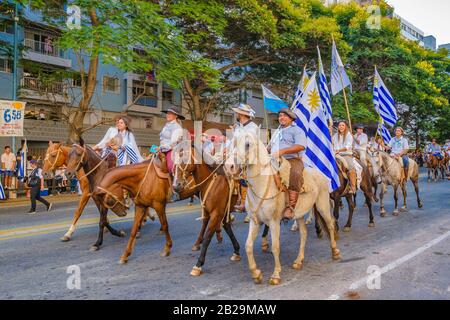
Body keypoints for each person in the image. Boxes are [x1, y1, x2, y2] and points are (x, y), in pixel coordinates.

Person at [268, 108, 306, 220]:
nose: (281, 118)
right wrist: (267, 148)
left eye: (284, 116)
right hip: (275, 159)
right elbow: (271, 146)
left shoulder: (297, 130)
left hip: (292, 160)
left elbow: (300, 146)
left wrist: (282, 151)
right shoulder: (277, 131)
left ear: (291, 118)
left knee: (295, 173)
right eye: (280, 116)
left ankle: (290, 206)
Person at [227, 104, 260, 220]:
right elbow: (233, 143)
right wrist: (230, 154)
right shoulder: (239, 127)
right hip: (237, 157)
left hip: (248, 158)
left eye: (237, 112)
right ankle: (231, 205)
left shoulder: (253, 127)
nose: (236, 114)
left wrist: (239, 156)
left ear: (241, 114)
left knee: (246, 180)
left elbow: (249, 145)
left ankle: (247, 205)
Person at [332, 121, 357, 194]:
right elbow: (331, 143)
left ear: (346, 126)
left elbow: (347, 147)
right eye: (340, 125)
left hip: (346, 155)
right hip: (336, 155)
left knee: (350, 167)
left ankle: (352, 187)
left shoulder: (349, 135)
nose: (341, 127)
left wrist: (338, 150)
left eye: (343, 125)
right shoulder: (335, 135)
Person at [159, 107, 185, 174]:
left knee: (171, 168)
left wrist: (161, 148)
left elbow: (173, 143)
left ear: (176, 116)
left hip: (172, 150)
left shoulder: (177, 127)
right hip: (162, 149)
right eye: (167, 113)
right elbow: (163, 139)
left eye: (170, 114)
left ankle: (175, 182)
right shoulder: (166, 125)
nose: (168, 115)